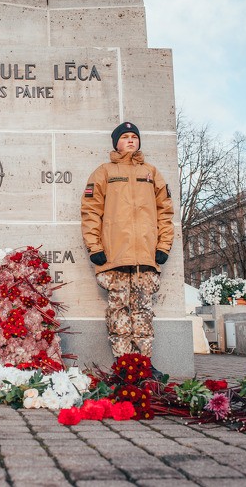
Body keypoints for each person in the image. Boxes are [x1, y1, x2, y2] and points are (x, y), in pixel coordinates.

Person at [80, 121, 174, 361]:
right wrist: (94, 247)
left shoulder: (151, 173)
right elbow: (90, 211)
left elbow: (166, 212)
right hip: (115, 258)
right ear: (116, 143)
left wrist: (163, 246)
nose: (131, 140)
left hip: (146, 258)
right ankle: (124, 365)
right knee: (118, 312)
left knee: (143, 313)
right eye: (125, 137)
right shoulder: (104, 172)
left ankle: (143, 366)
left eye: (134, 136)